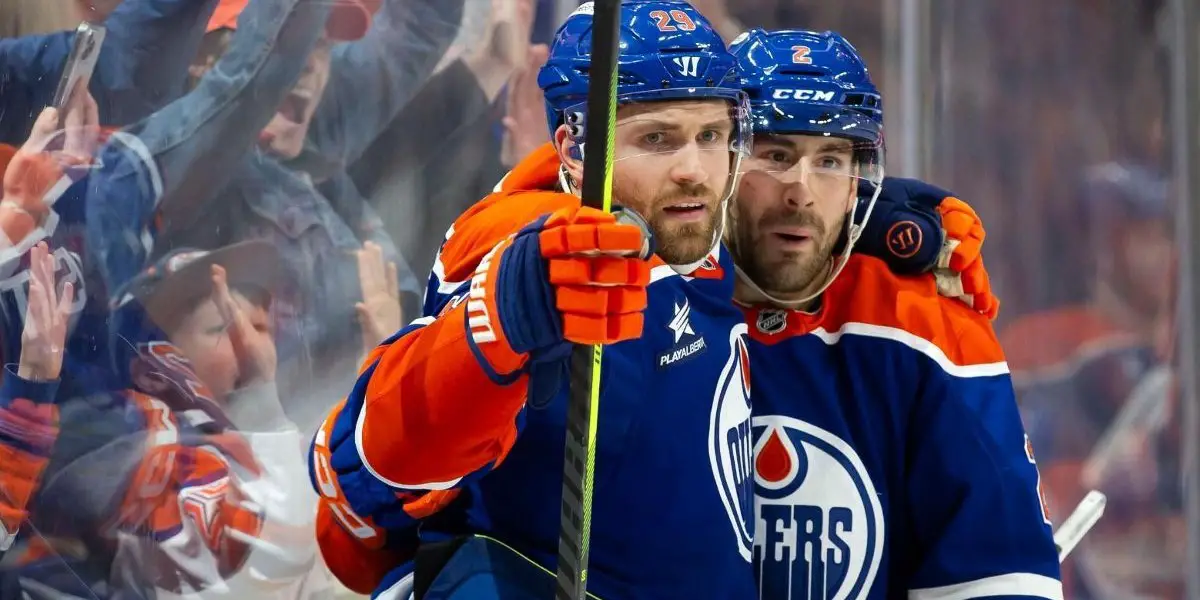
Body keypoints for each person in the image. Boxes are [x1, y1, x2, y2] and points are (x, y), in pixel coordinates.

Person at [308, 4, 1003, 600]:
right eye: (656, 139)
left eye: (711, 137)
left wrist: (898, 221)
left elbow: (778, 214)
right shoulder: (536, 248)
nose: (693, 169)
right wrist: (502, 316)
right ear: (573, 152)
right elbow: (364, 472)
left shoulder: (690, 234)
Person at [725, 29, 1063, 599]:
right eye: (776, 155)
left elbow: (1000, 576)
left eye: (830, 159)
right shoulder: (652, 306)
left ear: (861, 181)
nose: (801, 193)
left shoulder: (919, 323)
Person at [0, 238, 329, 597]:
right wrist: (260, 404)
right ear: (154, 367)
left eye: (261, 328)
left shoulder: (278, 440)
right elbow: (266, 563)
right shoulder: (135, 432)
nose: (259, 349)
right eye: (224, 329)